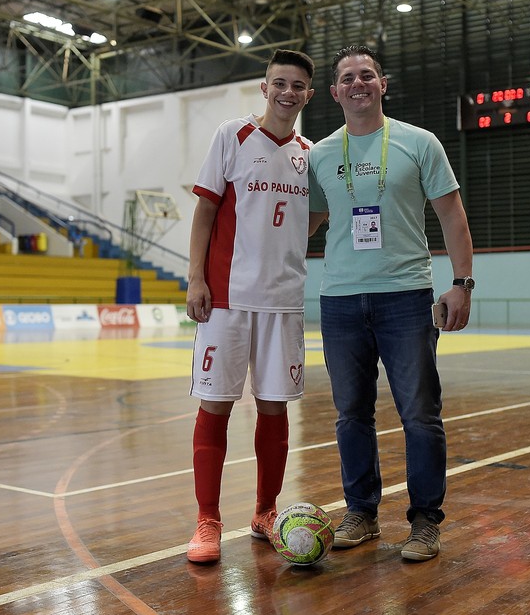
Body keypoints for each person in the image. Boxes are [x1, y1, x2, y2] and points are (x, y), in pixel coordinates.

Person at [307, 45, 474, 562]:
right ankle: (361, 512)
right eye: (347, 78)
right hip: (339, 301)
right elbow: (307, 225)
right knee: (349, 415)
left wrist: (461, 283)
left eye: (367, 75)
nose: (357, 83)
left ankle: (425, 522)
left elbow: (453, 217)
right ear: (334, 92)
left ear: (383, 84)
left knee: (420, 415)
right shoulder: (318, 155)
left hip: (405, 297)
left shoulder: (418, 144)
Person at [184, 49, 316, 564]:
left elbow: (316, 216)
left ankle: (265, 512)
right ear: (265, 88)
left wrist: (279, 249)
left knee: (274, 408)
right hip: (226, 299)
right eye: (279, 83)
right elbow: (204, 211)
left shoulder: (311, 153)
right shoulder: (232, 135)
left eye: (298, 85)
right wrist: (196, 277)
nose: (287, 92)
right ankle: (207, 520)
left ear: (308, 93)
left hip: (282, 303)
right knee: (214, 405)